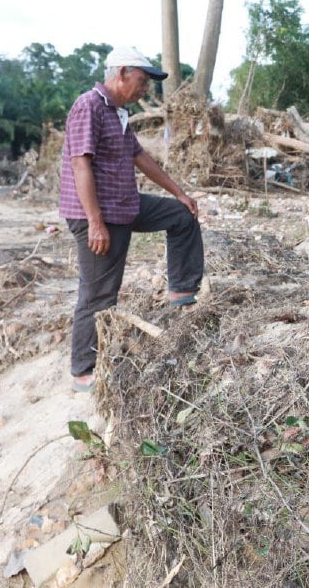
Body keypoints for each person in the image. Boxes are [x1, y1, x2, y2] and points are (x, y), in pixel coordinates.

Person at [59, 46, 204, 393]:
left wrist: (179, 192)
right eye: (141, 81)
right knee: (99, 293)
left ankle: (182, 291)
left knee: (181, 216)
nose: (145, 91)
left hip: (123, 204)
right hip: (98, 214)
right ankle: (83, 370)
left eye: (148, 85)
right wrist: (95, 223)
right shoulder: (89, 106)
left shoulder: (118, 113)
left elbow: (139, 156)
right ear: (122, 72)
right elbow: (80, 165)